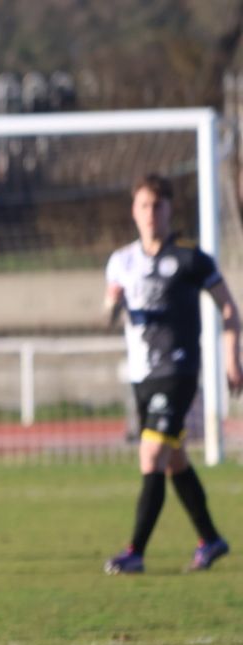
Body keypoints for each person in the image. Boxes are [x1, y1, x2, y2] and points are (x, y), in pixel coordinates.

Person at [103, 173, 243, 574]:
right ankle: (211, 539)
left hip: (178, 369)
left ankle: (135, 552)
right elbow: (109, 308)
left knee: (151, 453)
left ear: (170, 209)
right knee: (173, 459)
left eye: (158, 205)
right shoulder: (121, 261)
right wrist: (113, 306)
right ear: (134, 210)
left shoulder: (190, 257)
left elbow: (229, 308)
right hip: (141, 374)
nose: (151, 213)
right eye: (144, 205)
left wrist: (232, 357)